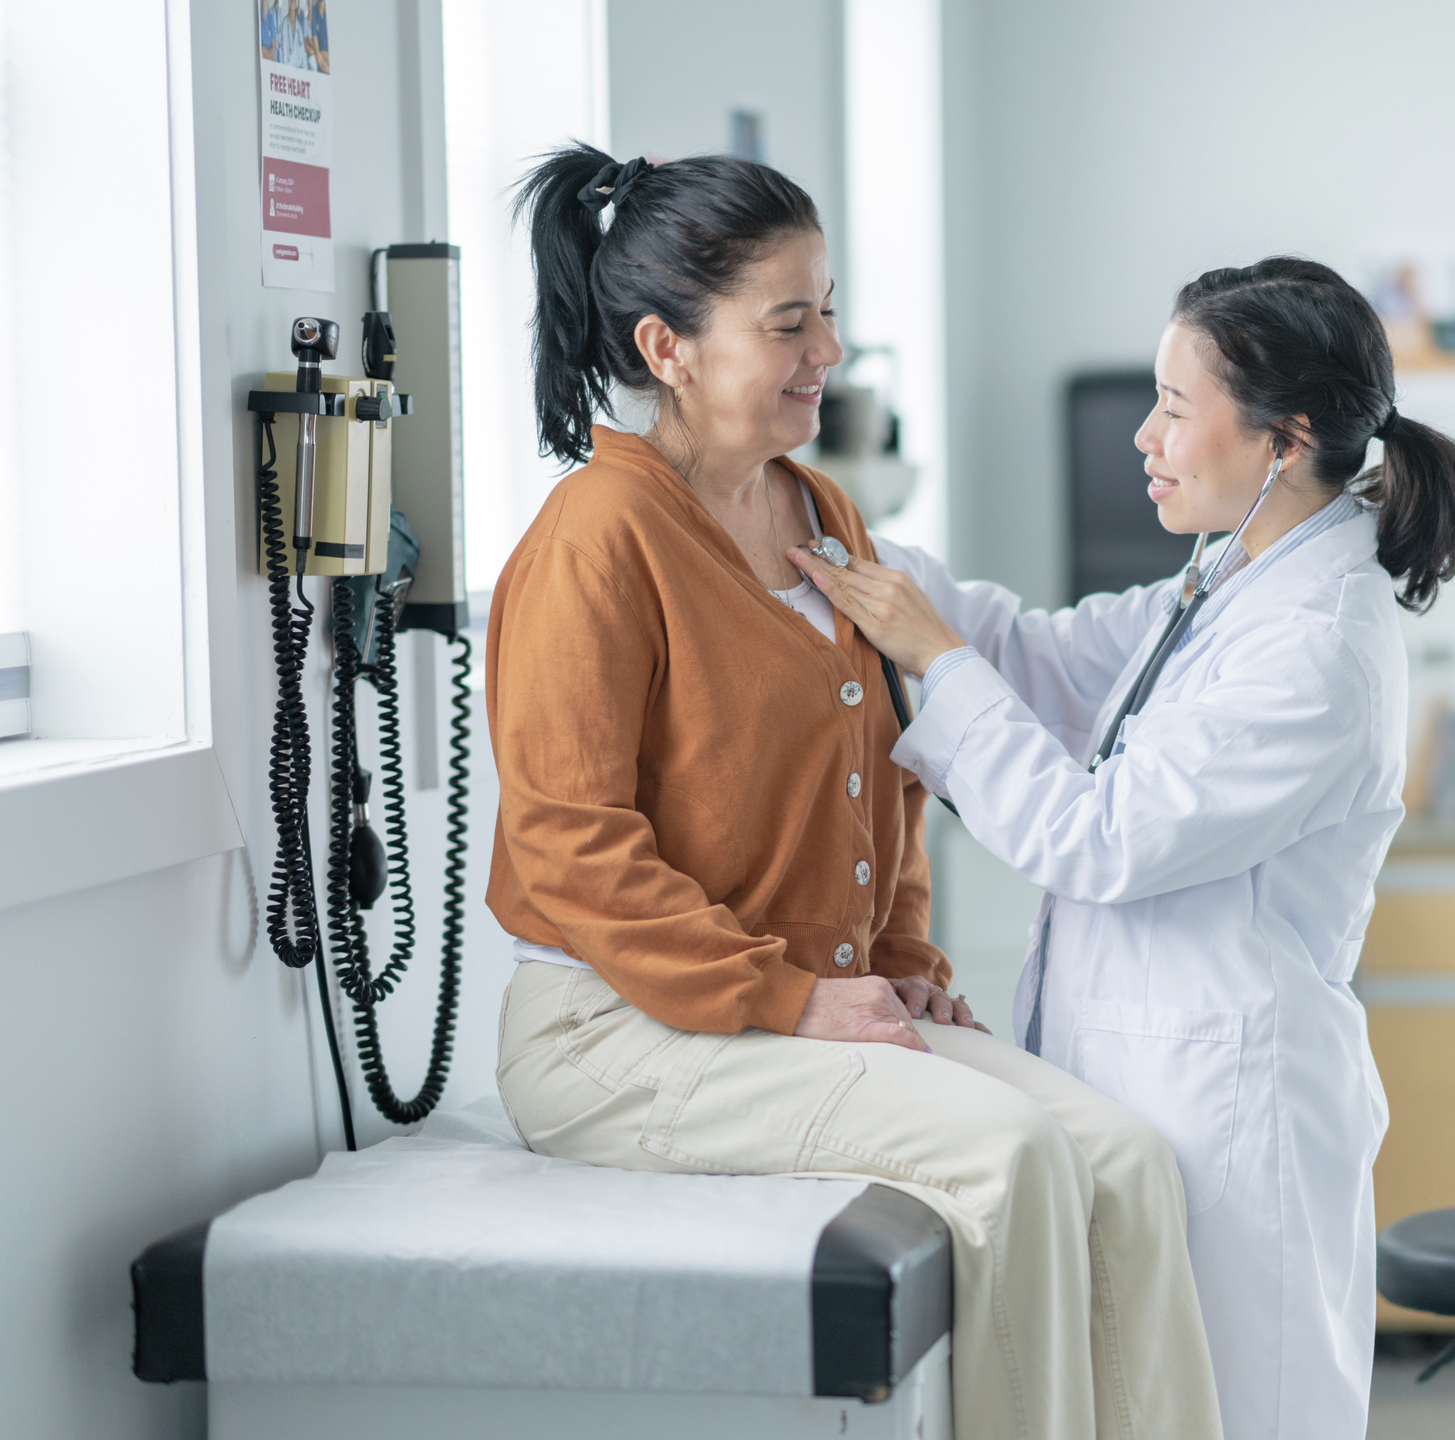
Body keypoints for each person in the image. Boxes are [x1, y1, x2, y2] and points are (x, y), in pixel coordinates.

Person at [487, 144, 1224, 1440]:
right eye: (788, 324)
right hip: (616, 1032)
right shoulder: (595, 537)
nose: (826, 350)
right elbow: (570, 846)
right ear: (667, 348)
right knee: (1009, 1156)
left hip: (785, 1007)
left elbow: (883, 769)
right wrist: (791, 997)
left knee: (1125, 1160)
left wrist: (901, 962)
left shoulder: (819, 510)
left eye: (826, 312)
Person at [792, 256, 1455, 1440]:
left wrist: (932, 657)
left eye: (1176, 406)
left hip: (1234, 1125)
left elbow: (1098, 837)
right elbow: (1047, 658)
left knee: (1228, 1414)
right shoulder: (1231, 580)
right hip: (1148, 1097)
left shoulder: (1318, 642)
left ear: (1284, 440)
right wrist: (834, 533)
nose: (1145, 436)